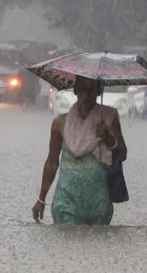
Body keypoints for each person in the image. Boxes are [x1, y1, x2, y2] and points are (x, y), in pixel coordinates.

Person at [33, 76, 127, 226]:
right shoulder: (60, 123)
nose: (86, 95)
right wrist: (41, 199)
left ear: (98, 92)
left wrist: (107, 137)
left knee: (97, 245)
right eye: (82, 89)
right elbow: (52, 161)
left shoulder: (109, 119)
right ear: (75, 91)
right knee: (66, 244)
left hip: (98, 203)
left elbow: (122, 153)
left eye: (91, 90)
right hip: (66, 201)